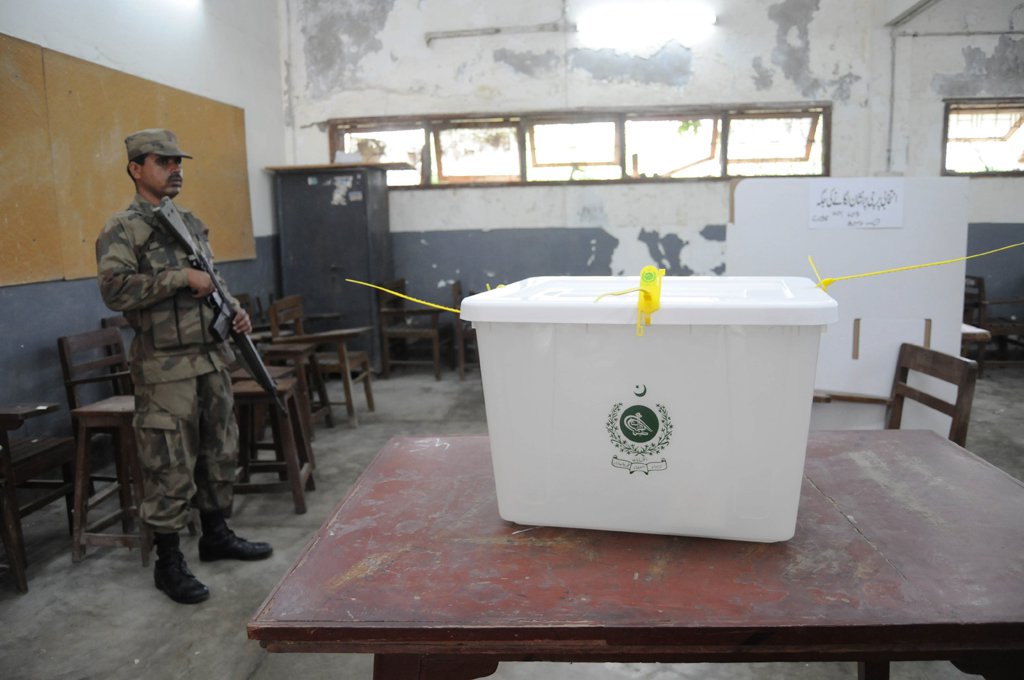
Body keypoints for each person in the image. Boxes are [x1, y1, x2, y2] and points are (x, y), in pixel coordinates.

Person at [96, 128, 272, 604]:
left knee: (219, 452)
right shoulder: (124, 227)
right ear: (136, 168)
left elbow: (211, 280)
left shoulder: (189, 221)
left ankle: (216, 534)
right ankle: (168, 562)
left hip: (211, 358)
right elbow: (114, 289)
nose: (176, 169)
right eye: (163, 161)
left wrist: (234, 307)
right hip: (164, 369)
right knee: (168, 464)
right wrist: (178, 277)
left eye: (179, 162)